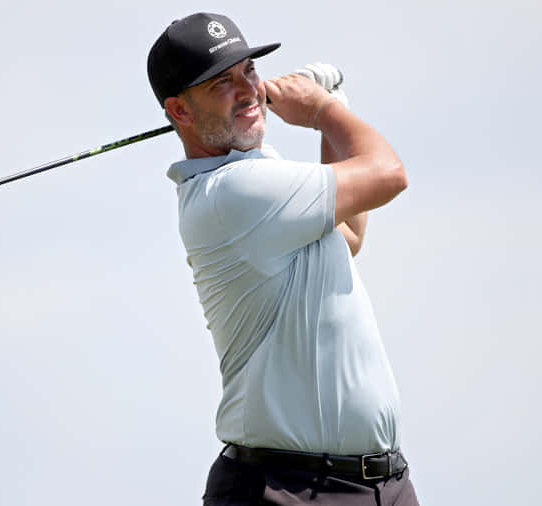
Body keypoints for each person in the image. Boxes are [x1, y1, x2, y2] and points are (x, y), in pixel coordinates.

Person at [148, 12, 418, 506]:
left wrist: (333, 107)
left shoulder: (256, 174)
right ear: (180, 111)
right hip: (285, 490)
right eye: (221, 83)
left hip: (381, 486)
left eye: (249, 71)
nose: (247, 90)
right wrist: (321, 111)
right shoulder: (232, 193)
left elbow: (349, 235)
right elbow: (388, 174)